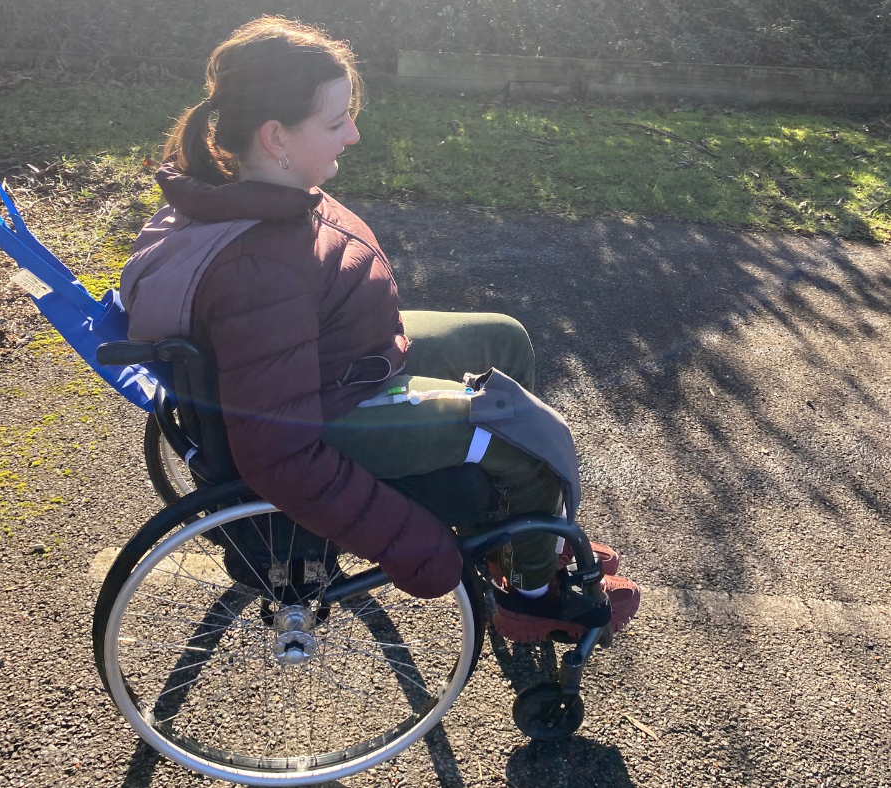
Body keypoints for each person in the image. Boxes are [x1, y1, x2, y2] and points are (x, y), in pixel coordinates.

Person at [119, 16, 639, 643]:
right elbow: (279, 454)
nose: (354, 133)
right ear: (276, 135)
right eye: (336, 122)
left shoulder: (255, 189)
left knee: (503, 339)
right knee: (521, 437)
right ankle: (534, 601)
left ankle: (515, 542)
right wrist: (414, 546)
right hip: (331, 412)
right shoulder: (260, 270)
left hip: (340, 358)